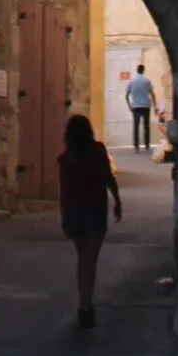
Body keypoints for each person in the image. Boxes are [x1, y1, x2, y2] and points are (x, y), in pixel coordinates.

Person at [55, 112, 121, 328]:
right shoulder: (98, 151)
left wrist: (64, 218)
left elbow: (64, 192)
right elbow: (108, 177)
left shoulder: (65, 160)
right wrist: (117, 200)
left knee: (83, 258)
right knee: (89, 260)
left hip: (75, 212)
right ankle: (85, 305)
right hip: (95, 210)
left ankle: (85, 304)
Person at [124, 65, 154, 153]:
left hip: (136, 106)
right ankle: (147, 145)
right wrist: (155, 106)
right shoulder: (147, 81)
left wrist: (129, 105)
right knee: (146, 126)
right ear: (143, 71)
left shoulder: (132, 82)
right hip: (145, 105)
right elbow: (152, 93)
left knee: (136, 126)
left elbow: (126, 95)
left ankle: (136, 146)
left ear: (137, 71)